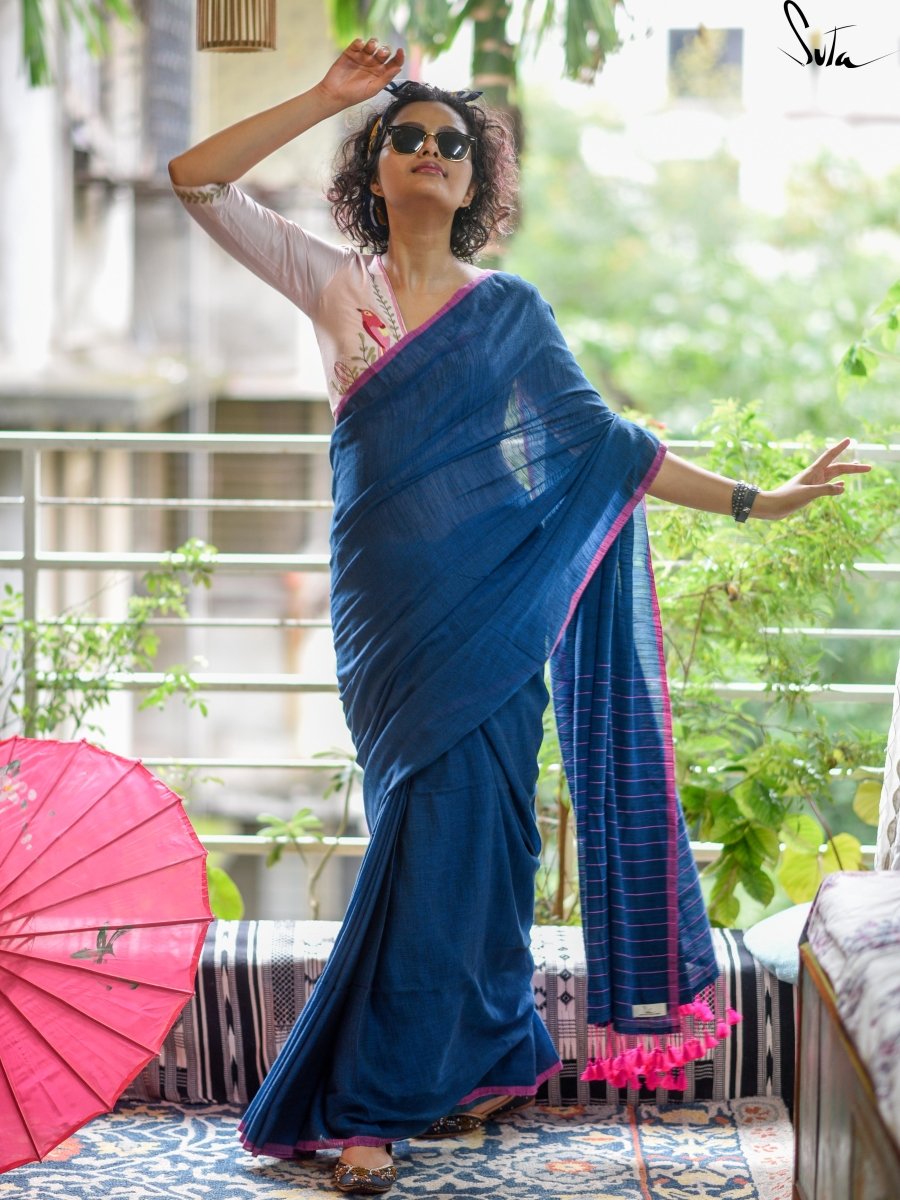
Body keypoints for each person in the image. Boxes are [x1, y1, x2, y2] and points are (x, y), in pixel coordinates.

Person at [169, 37, 870, 1196]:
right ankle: (367, 1105)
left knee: (487, 843)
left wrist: (760, 500)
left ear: (474, 177)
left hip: (495, 612)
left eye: (453, 144)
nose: (432, 154)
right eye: (410, 139)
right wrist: (324, 95)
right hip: (388, 618)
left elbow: (611, 451)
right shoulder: (333, 281)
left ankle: (468, 1064)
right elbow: (194, 178)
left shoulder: (511, 314)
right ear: (378, 165)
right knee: (420, 832)